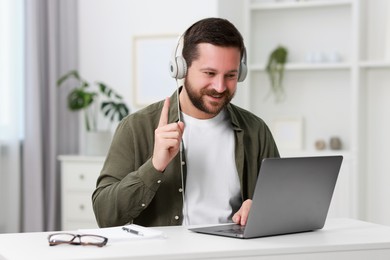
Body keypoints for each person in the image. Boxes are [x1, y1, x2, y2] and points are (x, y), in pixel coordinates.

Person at [92, 17, 279, 228]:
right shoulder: (136, 128)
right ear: (181, 69)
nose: (219, 86)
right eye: (209, 73)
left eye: (230, 75)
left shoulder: (256, 130)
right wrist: (155, 166)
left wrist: (262, 208)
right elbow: (104, 214)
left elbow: (283, 204)